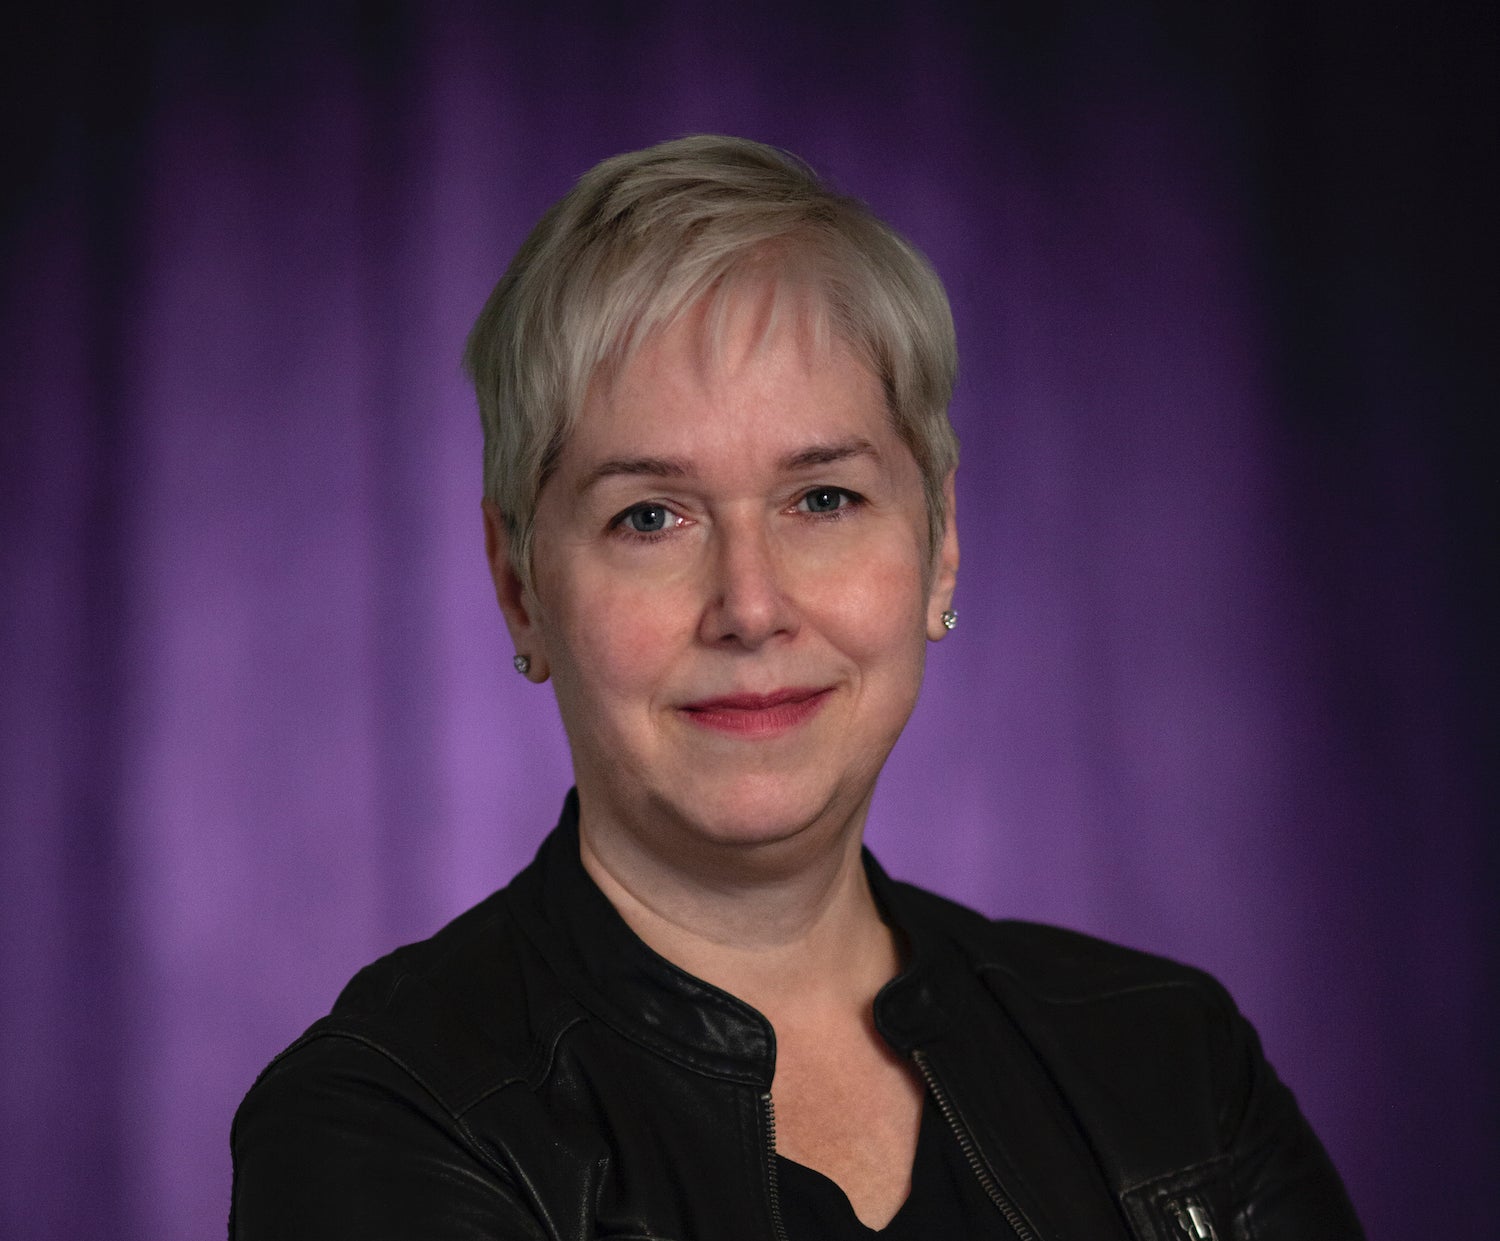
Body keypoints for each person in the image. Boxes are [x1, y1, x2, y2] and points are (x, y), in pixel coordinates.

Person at [230, 135, 1363, 1240]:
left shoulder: (1169, 1060)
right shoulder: (386, 1118)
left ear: (942, 542)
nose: (752, 605)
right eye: (649, 515)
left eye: (822, 497)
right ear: (520, 583)